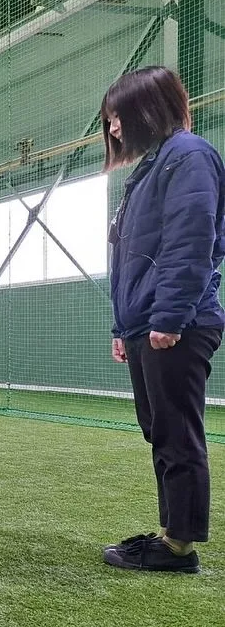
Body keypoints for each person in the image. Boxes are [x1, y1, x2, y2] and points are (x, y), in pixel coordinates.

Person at [102, 66, 225, 573]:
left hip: (177, 322)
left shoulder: (188, 157)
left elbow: (191, 244)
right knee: (161, 429)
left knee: (176, 432)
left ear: (147, 109)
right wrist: (123, 327)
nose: (112, 130)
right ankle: (172, 531)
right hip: (147, 322)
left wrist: (170, 317)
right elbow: (131, 258)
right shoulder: (153, 166)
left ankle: (179, 546)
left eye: (116, 118)